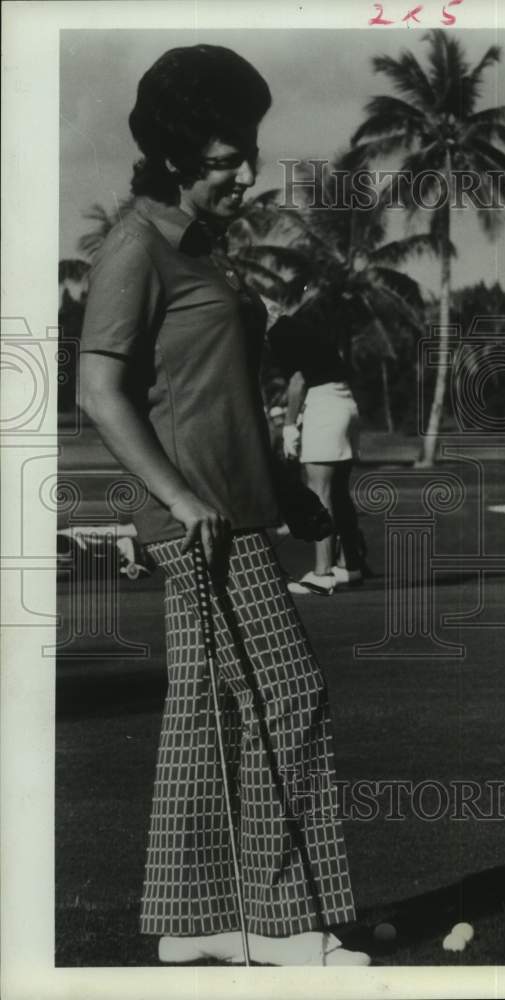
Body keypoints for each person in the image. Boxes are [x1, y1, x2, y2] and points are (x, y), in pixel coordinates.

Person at [78, 44, 368, 966]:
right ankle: (282, 925)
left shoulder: (200, 245)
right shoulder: (135, 247)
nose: (245, 174)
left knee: (205, 714)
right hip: (197, 520)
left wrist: (287, 494)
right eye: (224, 160)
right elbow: (97, 391)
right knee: (289, 694)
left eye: (248, 152)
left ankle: (194, 919)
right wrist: (176, 497)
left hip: (236, 510)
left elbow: (224, 393)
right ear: (172, 157)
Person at [267, 298, 366, 596]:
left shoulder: (279, 333)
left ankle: (322, 574)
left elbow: (297, 382)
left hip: (324, 406)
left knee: (318, 490)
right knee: (338, 491)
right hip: (345, 404)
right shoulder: (300, 328)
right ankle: (350, 565)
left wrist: (289, 426)